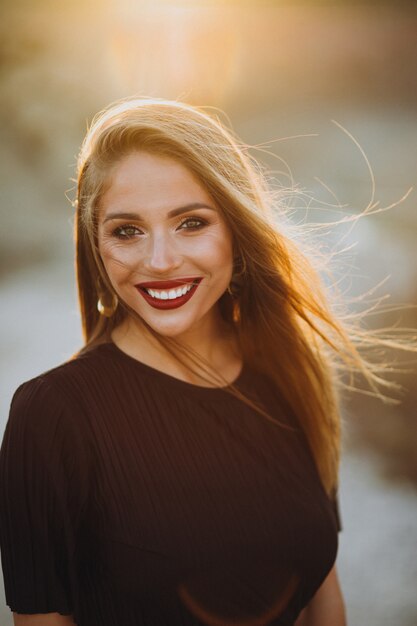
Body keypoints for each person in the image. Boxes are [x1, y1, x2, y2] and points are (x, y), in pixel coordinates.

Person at [0, 96, 357, 626]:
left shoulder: (287, 373)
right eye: (127, 231)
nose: (161, 261)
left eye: (191, 223)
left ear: (237, 231)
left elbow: (320, 587)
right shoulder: (51, 415)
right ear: (96, 247)